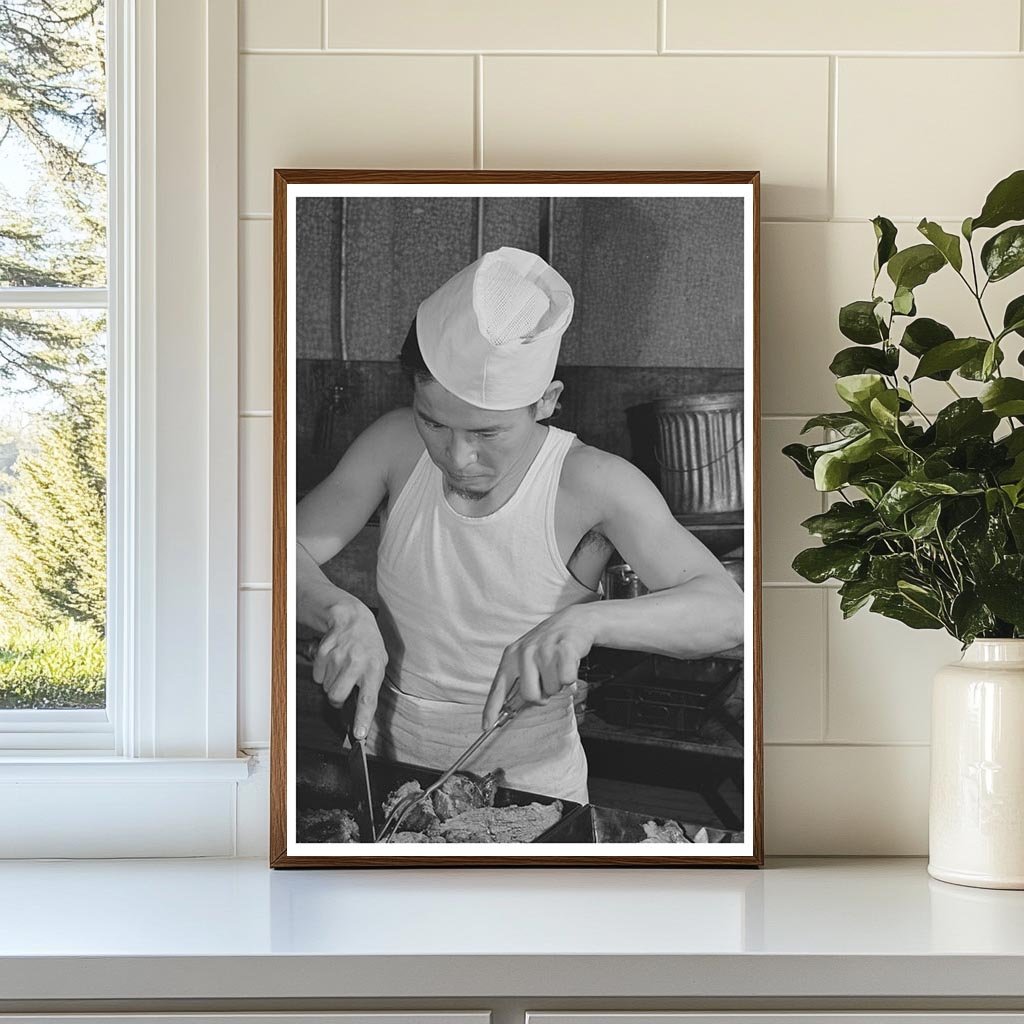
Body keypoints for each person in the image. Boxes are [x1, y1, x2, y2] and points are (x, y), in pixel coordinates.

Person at [296, 246, 744, 803]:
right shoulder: (391, 446)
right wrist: (339, 610)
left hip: (532, 793)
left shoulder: (594, 484)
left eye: (486, 434)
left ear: (546, 401)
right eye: (433, 422)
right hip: (386, 773)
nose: (456, 458)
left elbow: (728, 613)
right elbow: (277, 553)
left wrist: (585, 626)